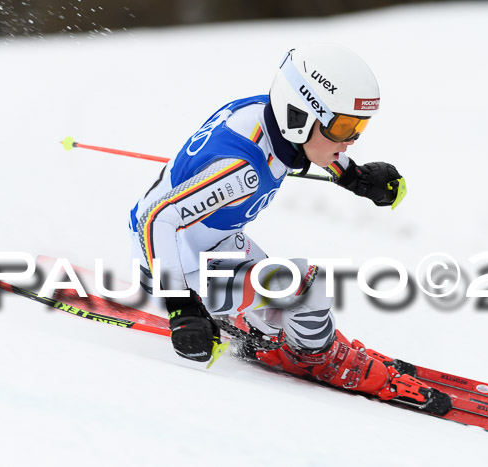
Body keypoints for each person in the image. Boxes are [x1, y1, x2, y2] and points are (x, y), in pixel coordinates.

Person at [128, 44, 448, 413]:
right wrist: (181, 307)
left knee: (282, 300)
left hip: (215, 243)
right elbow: (157, 219)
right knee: (308, 288)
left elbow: (299, 146)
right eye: (344, 127)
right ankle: (318, 357)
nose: (350, 141)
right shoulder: (241, 172)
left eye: (358, 128)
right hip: (174, 267)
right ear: (298, 114)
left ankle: (275, 337)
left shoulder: (261, 112)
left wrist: (354, 176)